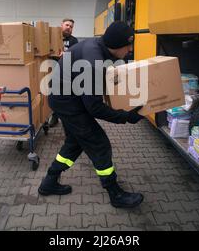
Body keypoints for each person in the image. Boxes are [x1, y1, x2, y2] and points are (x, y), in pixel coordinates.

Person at [38, 21, 145, 208]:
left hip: (67, 97)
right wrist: (126, 117)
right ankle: (115, 194)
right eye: (128, 45)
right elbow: (94, 107)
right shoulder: (93, 60)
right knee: (99, 144)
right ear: (116, 45)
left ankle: (49, 182)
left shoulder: (99, 47)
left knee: (75, 143)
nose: (130, 49)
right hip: (67, 102)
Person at [48, 18, 79, 127]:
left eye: (71, 27)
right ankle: (55, 116)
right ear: (61, 25)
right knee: (53, 94)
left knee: (65, 96)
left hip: (66, 73)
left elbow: (76, 56)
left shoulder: (74, 41)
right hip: (52, 70)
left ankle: (66, 118)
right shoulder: (53, 37)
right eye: (67, 25)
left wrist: (66, 55)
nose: (69, 28)